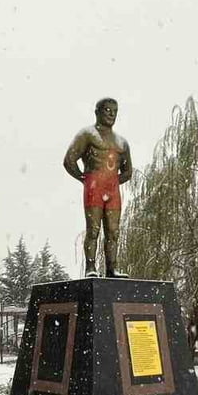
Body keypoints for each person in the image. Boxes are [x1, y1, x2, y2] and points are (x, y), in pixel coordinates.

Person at [62, 97, 133, 277]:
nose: (111, 114)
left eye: (114, 111)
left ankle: (111, 269)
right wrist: (84, 178)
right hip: (94, 186)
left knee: (113, 231)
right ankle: (90, 267)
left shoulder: (122, 142)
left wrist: (113, 181)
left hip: (112, 189)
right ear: (97, 112)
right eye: (107, 110)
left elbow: (127, 171)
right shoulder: (87, 134)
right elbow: (69, 160)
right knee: (93, 229)